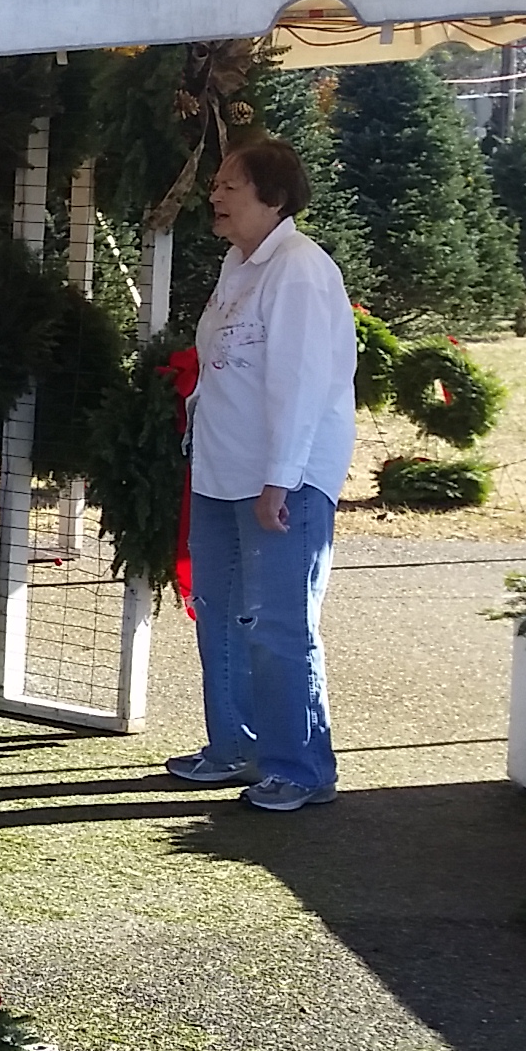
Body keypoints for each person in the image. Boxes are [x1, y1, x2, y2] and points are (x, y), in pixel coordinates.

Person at [163, 139, 357, 812]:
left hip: (282, 479)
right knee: (217, 612)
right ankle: (233, 747)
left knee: (278, 623)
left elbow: (302, 385)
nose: (214, 197)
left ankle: (302, 767)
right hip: (220, 470)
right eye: (215, 185)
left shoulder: (299, 270)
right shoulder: (238, 264)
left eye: (230, 187)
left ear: (272, 198)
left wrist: (281, 479)